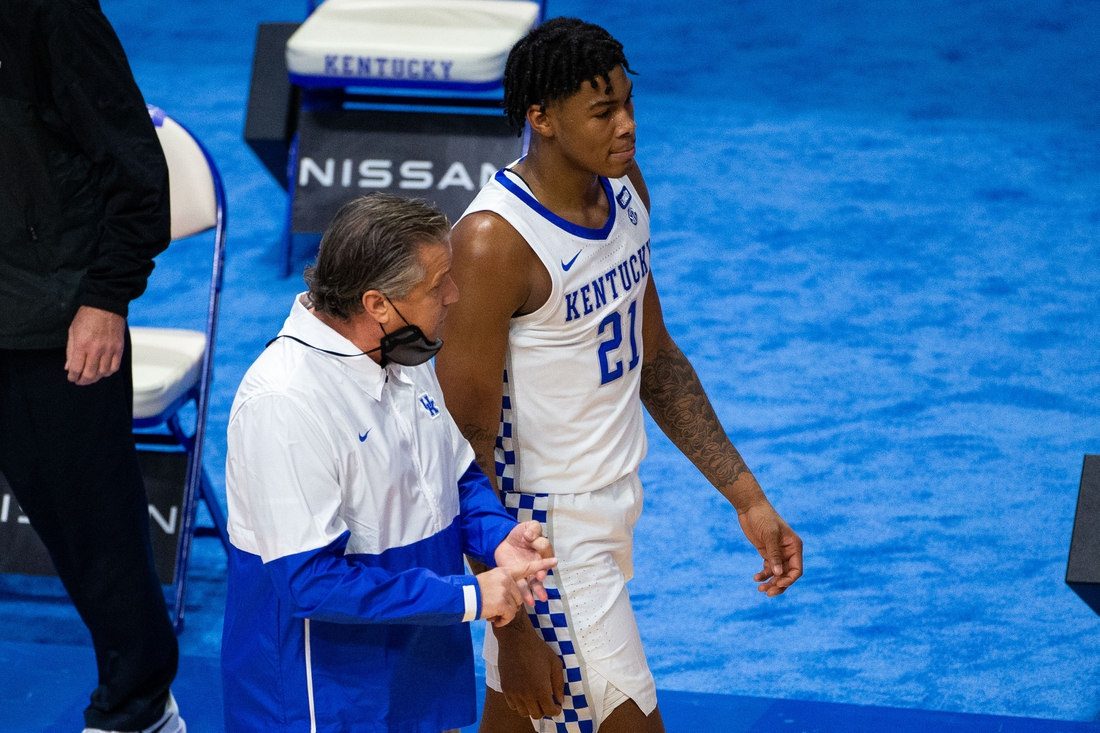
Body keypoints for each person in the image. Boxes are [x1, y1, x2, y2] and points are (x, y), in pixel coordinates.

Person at [435, 17, 805, 733]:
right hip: (543, 535)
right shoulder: (493, 244)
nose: (628, 125)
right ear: (540, 118)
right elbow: (462, 444)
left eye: (629, 103)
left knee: (520, 721)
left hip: (612, 506)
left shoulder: (624, 187)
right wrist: (509, 613)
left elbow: (655, 359)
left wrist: (747, 496)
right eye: (603, 111)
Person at [222, 194, 558, 733]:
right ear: (378, 303)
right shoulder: (284, 403)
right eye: (436, 284)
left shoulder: (402, 351)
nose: (453, 294)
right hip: (324, 695)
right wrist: (468, 595)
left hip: (419, 664)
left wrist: (498, 538)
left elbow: (455, 477)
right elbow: (310, 582)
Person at [0, 2, 184, 732]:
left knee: (95, 538)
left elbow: (137, 167)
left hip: (52, 321)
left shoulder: (51, 12)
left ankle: (138, 708)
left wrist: (105, 297)